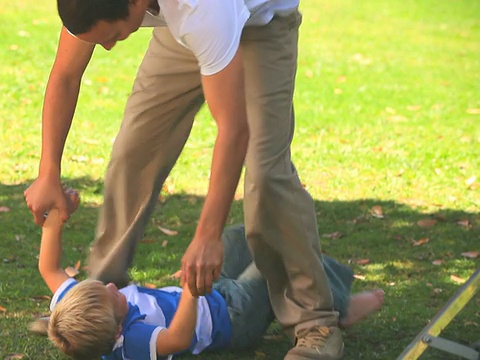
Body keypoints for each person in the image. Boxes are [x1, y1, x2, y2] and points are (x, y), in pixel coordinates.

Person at [24, 0, 345, 358]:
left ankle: (315, 321)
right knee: (135, 150)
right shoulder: (93, 2)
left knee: (266, 175)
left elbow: (234, 130)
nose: (111, 46)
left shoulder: (203, 10)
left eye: (112, 35)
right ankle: (96, 303)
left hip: (260, 27)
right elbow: (66, 75)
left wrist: (208, 235)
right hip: (179, 31)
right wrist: (48, 172)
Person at [30, 189, 384, 359]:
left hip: (212, 291)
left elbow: (48, 268)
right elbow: (177, 340)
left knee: (237, 236)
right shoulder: (133, 345)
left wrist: (56, 219)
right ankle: (337, 307)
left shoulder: (75, 306)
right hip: (231, 317)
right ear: (119, 329)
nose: (111, 284)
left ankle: (325, 295)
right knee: (274, 258)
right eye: (114, 295)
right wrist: (189, 290)